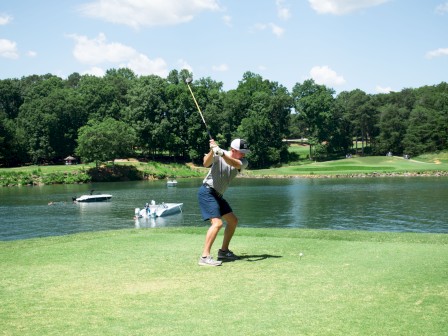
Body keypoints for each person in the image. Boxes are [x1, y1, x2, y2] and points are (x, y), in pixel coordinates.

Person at [197, 138, 250, 266]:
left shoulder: (243, 162)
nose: (244, 155)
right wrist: (212, 150)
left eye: (245, 152)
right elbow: (205, 163)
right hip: (207, 191)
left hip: (217, 195)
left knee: (233, 221)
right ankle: (204, 256)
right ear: (233, 150)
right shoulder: (219, 152)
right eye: (241, 152)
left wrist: (220, 153)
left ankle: (223, 251)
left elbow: (233, 163)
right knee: (217, 223)